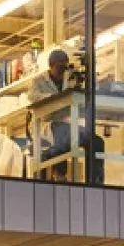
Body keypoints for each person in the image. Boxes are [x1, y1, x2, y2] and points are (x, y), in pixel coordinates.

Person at [28, 47, 81, 178]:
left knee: (81, 136)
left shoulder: (68, 80)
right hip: (46, 121)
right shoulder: (38, 81)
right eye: (59, 67)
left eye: (64, 68)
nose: (62, 71)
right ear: (51, 66)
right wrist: (53, 97)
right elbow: (32, 96)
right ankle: (58, 173)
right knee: (62, 135)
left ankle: (58, 170)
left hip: (64, 120)